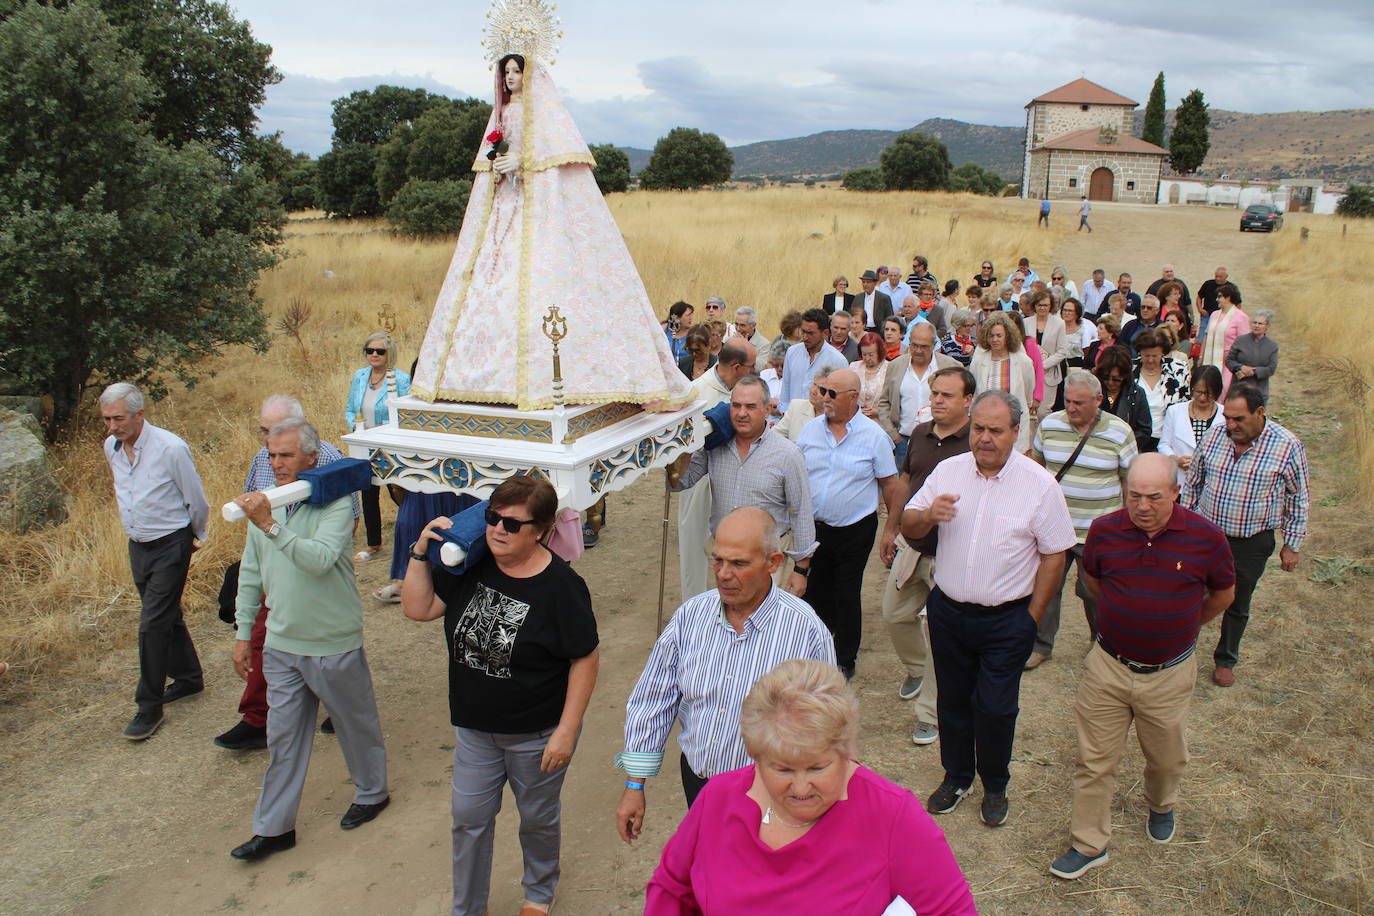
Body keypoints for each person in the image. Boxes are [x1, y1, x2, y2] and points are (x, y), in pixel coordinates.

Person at [410, 52, 692, 413]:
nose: (510, 78)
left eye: (517, 71)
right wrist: (501, 165)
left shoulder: (545, 112)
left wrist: (524, 164)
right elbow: (492, 157)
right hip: (505, 212)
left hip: (541, 216)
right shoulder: (499, 113)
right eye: (506, 72)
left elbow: (552, 162)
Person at [401, 475, 599, 916]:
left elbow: (584, 659)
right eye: (493, 518)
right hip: (474, 729)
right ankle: (468, 908)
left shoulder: (561, 587)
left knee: (536, 820)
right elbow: (419, 609)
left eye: (512, 525)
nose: (497, 530)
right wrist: (419, 552)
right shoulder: (473, 564)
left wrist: (566, 732)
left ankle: (539, 893)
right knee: (468, 820)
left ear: (542, 530)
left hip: (537, 732)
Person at [645, 659, 978, 915]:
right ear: (756, 756)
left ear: (846, 752)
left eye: (817, 767)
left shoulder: (891, 815)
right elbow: (672, 889)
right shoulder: (718, 798)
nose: (801, 787)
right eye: (783, 769)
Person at [1048, 454, 1235, 880]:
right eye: (1135, 496)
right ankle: (1089, 843)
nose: (1143, 506)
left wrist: (1182, 624)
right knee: (1094, 760)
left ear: (1176, 493)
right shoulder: (1105, 531)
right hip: (1108, 667)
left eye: (1154, 497)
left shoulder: (1207, 539)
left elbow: (1223, 595)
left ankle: (1161, 803)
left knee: (1166, 757)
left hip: (1169, 674)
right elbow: (1093, 581)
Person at [903, 390, 1076, 826]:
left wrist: (1031, 618)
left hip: (1006, 619)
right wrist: (929, 516)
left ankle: (995, 783)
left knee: (996, 707)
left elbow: (1056, 553)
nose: (984, 438)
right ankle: (957, 776)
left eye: (996, 431)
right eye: (978, 428)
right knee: (954, 701)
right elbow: (909, 522)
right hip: (949, 612)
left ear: (1016, 433)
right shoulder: (948, 472)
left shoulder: (1039, 485)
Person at [617, 508, 836, 839]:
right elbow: (654, 699)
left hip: (770, 796)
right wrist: (635, 784)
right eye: (717, 560)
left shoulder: (805, 631)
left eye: (738, 564)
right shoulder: (690, 617)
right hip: (699, 784)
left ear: (774, 563)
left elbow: (827, 728)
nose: (723, 573)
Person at [229, 418, 389, 861]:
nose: (275, 463)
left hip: (331, 639)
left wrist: (271, 527)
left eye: (285, 455)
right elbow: (251, 573)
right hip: (282, 643)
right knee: (283, 739)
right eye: (271, 454)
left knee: (355, 726)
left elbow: (319, 560)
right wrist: (244, 635)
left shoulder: (336, 501)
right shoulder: (265, 506)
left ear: (311, 458)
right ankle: (274, 827)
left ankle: (372, 793)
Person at [214, 395, 359, 751]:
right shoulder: (262, 459)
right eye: (264, 434)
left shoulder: (329, 460)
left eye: (277, 440)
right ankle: (258, 718)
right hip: (276, 572)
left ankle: (341, 712)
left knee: (332, 665)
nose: (269, 448)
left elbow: (347, 519)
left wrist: (311, 546)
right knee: (268, 642)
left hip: (316, 579)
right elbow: (254, 525)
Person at [100, 382, 209, 740]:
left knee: (151, 624)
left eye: (119, 418)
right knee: (164, 615)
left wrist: (195, 537)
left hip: (171, 543)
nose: (113, 427)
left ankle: (149, 705)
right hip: (139, 545)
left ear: (139, 415)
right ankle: (189, 677)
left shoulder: (171, 448)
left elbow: (196, 498)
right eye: (107, 420)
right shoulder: (111, 448)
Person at [1183, 385, 1310, 687]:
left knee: (1238, 601)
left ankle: (1226, 659)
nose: (1230, 425)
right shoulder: (1214, 437)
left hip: (1251, 542)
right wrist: (1183, 524)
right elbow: (1194, 482)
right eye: (1227, 417)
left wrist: (1292, 544)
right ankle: (1181, 650)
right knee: (1188, 592)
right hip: (1206, 536)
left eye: (1238, 419)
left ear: (1260, 413)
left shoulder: (1287, 445)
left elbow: (1298, 496)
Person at [877, 367, 975, 745]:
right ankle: (918, 669)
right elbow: (905, 481)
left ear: (967, 401)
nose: (936, 400)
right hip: (913, 548)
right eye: (934, 393)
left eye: (946, 395)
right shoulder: (919, 434)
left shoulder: (974, 444)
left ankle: (930, 715)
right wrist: (891, 528)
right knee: (894, 614)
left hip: (950, 553)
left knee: (941, 636)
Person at [1026, 370, 1138, 670]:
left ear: (1099, 400)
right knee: (1045, 590)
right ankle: (1040, 645)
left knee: (1095, 594)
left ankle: (1101, 642)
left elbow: (1130, 483)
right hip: (1054, 531)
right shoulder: (1049, 425)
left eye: (1079, 402)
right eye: (1067, 401)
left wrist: (1129, 528)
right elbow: (1035, 472)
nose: (1071, 408)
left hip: (1098, 534)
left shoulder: (1120, 432)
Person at [797, 368, 902, 679]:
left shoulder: (873, 437)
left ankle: (844, 658)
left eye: (832, 393)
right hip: (816, 528)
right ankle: (816, 649)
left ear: (854, 398)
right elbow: (798, 476)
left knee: (846, 592)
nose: (824, 398)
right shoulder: (811, 431)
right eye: (822, 391)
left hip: (855, 529)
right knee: (814, 591)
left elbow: (890, 485)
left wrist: (891, 529)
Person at [673, 375, 816, 595]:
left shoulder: (788, 454)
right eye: (736, 405)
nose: (741, 413)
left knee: (760, 625)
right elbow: (680, 482)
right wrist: (686, 444)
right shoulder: (713, 445)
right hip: (722, 557)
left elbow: (801, 513)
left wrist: (801, 570)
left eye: (750, 406)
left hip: (764, 561)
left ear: (767, 410)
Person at [679, 342, 757, 602]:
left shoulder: (745, 391)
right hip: (700, 486)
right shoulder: (696, 393)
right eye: (750, 366)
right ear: (737, 366)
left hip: (738, 485)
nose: (754, 371)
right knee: (697, 554)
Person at [344, 331, 411, 563]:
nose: (374, 355)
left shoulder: (400, 380)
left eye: (379, 351)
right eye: (369, 350)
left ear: (389, 354)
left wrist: (382, 430)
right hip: (364, 442)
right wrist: (357, 426)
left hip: (388, 444)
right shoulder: (360, 376)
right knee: (368, 491)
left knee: (399, 490)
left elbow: (404, 413)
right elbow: (350, 408)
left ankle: (412, 533)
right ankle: (374, 544)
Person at [877, 322, 959, 467]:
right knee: (905, 487)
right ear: (909, 342)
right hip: (904, 443)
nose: (918, 350)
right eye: (914, 345)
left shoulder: (951, 367)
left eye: (924, 346)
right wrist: (895, 436)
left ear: (934, 344)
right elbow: (884, 403)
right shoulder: (896, 366)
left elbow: (961, 403)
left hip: (942, 441)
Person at [969, 312, 1038, 452]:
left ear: (1007, 336)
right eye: (991, 335)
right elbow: (975, 391)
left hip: (1012, 421)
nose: (995, 339)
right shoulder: (978, 362)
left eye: (999, 335)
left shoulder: (1023, 361)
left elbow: (1028, 388)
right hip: (986, 420)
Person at [1158, 365, 1224, 485]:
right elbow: (1163, 445)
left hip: (1212, 483)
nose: (1202, 397)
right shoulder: (1175, 411)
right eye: (1199, 392)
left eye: (1208, 393)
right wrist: (1177, 460)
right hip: (1180, 480)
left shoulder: (1224, 414)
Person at [778, 309, 848, 412]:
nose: (805, 337)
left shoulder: (838, 361)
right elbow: (786, 390)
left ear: (825, 333)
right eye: (803, 331)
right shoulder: (792, 353)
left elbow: (842, 399)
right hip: (792, 419)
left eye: (810, 333)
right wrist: (785, 414)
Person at [1133, 328, 1191, 447]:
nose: (1150, 360)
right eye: (1146, 355)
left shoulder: (1178, 370)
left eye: (1155, 355)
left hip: (1167, 438)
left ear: (1163, 352)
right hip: (1135, 437)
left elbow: (1185, 404)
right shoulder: (1130, 370)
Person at [1096, 345, 1153, 451]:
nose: (1110, 382)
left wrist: (1123, 443)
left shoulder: (1137, 393)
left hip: (1124, 451)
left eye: (1116, 379)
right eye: (1105, 377)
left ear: (1125, 375)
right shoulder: (1092, 390)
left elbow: (1145, 430)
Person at [1028, 289, 1071, 412]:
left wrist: (1042, 365)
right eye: (1039, 305)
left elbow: (1062, 350)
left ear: (1051, 306)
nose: (1042, 308)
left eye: (1046, 305)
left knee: (1043, 412)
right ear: (1034, 305)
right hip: (1029, 373)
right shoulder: (1026, 323)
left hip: (1049, 374)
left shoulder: (1059, 324)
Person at [1226, 310, 1279, 400]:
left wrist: (1253, 371)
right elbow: (1229, 361)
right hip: (1238, 390)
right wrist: (1240, 367)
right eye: (1254, 323)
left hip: (1259, 391)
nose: (1256, 326)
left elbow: (1271, 369)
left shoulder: (1272, 346)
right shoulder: (1240, 340)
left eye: (1260, 323)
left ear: (1267, 326)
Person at [850, 332, 890, 420]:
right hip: (856, 419)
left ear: (879, 352)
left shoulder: (890, 369)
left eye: (871, 355)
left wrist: (878, 412)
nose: (867, 358)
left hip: (880, 422)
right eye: (864, 354)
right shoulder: (854, 367)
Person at [733, 306, 771, 372]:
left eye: (742, 325)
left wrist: (745, 347)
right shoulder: (731, 339)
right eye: (736, 324)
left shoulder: (765, 345)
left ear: (753, 325)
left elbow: (760, 368)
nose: (738, 329)